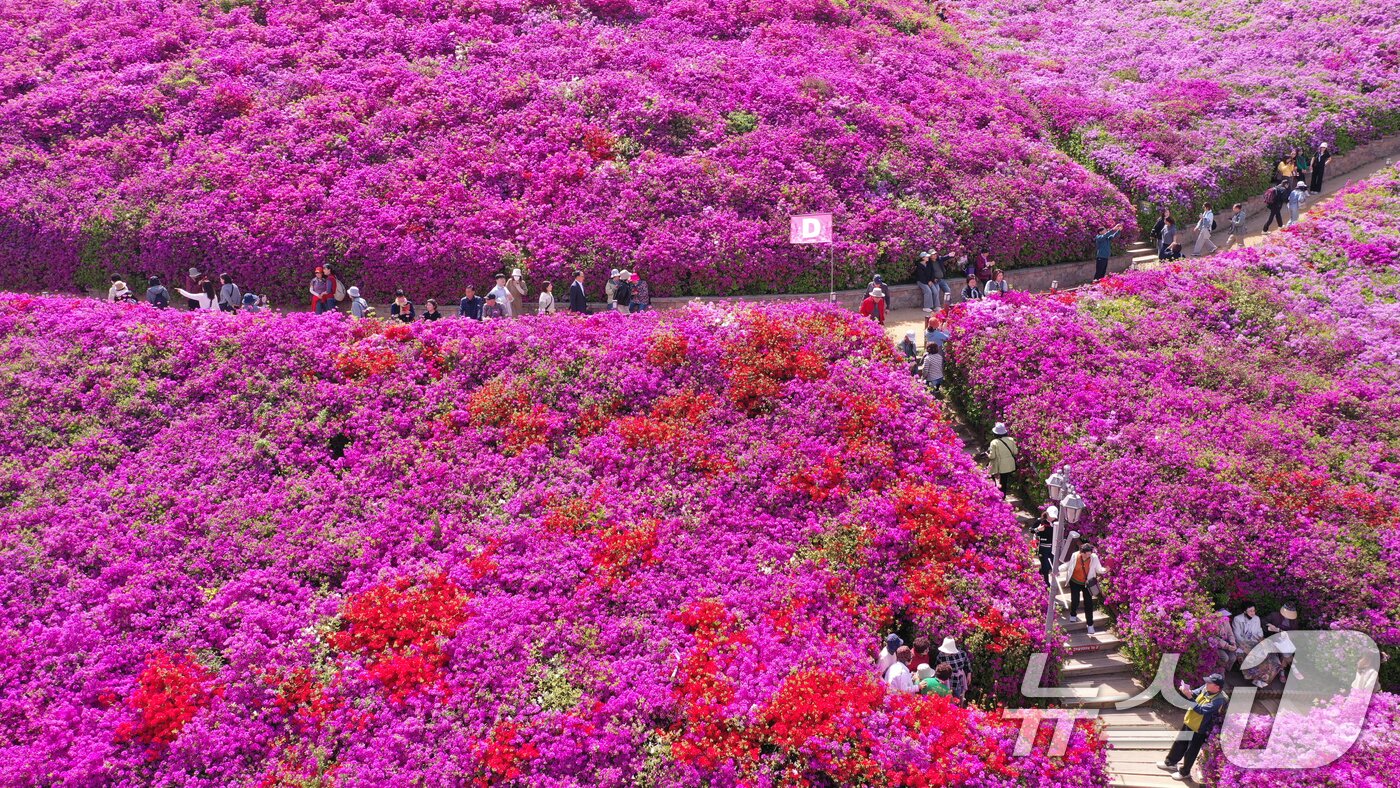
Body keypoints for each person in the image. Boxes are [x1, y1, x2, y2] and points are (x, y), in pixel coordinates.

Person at [1157, 673, 1227, 782]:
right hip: (1190, 722)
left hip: (1200, 729)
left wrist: (1189, 697)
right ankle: (1170, 763)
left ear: (1217, 687)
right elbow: (1195, 693)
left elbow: (1201, 710)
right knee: (1179, 743)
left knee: (1191, 751)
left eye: (1209, 682)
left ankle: (1184, 773)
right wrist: (1187, 692)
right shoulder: (1205, 688)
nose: (1206, 683)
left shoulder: (1219, 700)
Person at [1233, 602, 1282, 688]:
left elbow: (1259, 632)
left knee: (1272, 655)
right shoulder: (1237, 619)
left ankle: (1264, 679)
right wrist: (1247, 646)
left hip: (1255, 642)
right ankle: (1256, 677)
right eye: (1250, 611)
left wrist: (1261, 641)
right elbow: (1237, 636)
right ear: (1245, 611)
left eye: (1254, 611)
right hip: (1242, 644)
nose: (1253, 613)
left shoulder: (1257, 619)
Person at [1066, 542, 1105, 635]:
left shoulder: (1094, 557)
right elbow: (1069, 565)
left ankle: (1090, 625)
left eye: (1089, 554)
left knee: (1088, 604)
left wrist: (1105, 570)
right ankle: (1073, 614)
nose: (1088, 556)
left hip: (1087, 583)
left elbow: (1099, 569)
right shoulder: (1075, 556)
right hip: (1075, 581)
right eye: (1086, 554)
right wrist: (1058, 570)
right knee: (1075, 600)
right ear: (1081, 552)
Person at [1263, 602, 1299, 674]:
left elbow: (1294, 634)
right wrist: (1269, 624)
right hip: (1273, 639)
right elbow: (1263, 620)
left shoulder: (1294, 621)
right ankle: (1289, 668)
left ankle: (1283, 670)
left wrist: (1281, 631)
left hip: (1285, 640)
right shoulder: (1274, 615)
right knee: (1285, 651)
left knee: (1285, 648)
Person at [986, 422, 1018, 491]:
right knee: (1004, 480)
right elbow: (1015, 452)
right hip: (1009, 464)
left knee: (990, 473)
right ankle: (1003, 495)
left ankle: (997, 492)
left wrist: (987, 454)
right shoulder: (1011, 439)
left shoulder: (994, 442)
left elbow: (992, 456)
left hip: (999, 465)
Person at [1034, 506, 1057, 588]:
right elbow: (1031, 529)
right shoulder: (1040, 521)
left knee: (1050, 566)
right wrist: (1038, 529)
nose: (1052, 518)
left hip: (1052, 548)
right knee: (1045, 566)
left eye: (1054, 517)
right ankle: (1046, 584)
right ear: (1047, 514)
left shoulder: (1056, 523)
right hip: (1042, 547)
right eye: (1051, 516)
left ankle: (1039, 573)